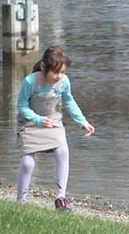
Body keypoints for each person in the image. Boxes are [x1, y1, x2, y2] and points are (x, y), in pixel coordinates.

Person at [15, 45, 93, 211]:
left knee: (62, 151)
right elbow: (21, 106)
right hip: (30, 124)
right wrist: (38, 120)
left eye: (63, 72)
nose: (59, 77)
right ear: (43, 67)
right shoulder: (30, 82)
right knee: (28, 163)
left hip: (53, 122)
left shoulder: (63, 82)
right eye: (56, 72)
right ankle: (20, 201)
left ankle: (61, 197)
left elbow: (69, 101)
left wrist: (82, 122)